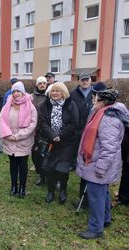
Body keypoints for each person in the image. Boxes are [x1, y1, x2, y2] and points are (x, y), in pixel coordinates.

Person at [77, 89, 129, 239]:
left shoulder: (109, 119)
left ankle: (95, 229)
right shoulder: (104, 113)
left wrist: (100, 168)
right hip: (97, 163)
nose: (93, 100)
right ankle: (105, 219)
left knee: (96, 197)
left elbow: (109, 148)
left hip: (99, 165)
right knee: (103, 194)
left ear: (102, 101)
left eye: (95, 98)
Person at [36, 82, 79, 204]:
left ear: (63, 93)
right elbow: (43, 122)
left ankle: (63, 190)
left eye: (57, 91)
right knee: (50, 168)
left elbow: (73, 124)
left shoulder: (70, 105)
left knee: (62, 168)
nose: (54, 93)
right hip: (50, 141)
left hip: (67, 142)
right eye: (53, 91)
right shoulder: (45, 105)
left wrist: (60, 136)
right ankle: (50, 191)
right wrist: (53, 136)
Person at [0, 81, 37, 198]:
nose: (16, 94)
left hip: (23, 141)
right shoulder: (7, 104)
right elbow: (1, 120)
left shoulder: (30, 106)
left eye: (18, 91)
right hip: (9, 139)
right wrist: (8, 134)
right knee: (13, 164)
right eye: (14, 91)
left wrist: (19, 135)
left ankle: (22, 188)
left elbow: (32, 124)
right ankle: (14, 186)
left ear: (23, 92)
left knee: (23, 165)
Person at [70, 73, 93, 207]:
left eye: (87, 80)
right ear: (79, 81)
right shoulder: (73, 93)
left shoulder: (96, 94)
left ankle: (85, 196)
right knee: (75, 153)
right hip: (76, 129)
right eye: (83, 80)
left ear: (90, 80)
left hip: (90, 130)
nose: (85, 82)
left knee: (87, 159)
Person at [31, 76, 48, 186]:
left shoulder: (50, 95)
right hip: (35, 129)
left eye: (44, 83)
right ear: (37, 85)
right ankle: (41, 174)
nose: (42, 85)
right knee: (36, 154)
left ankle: (51, 175)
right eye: (40, 83)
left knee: (48, 154)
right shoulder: (32, 97)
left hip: (47, 130)